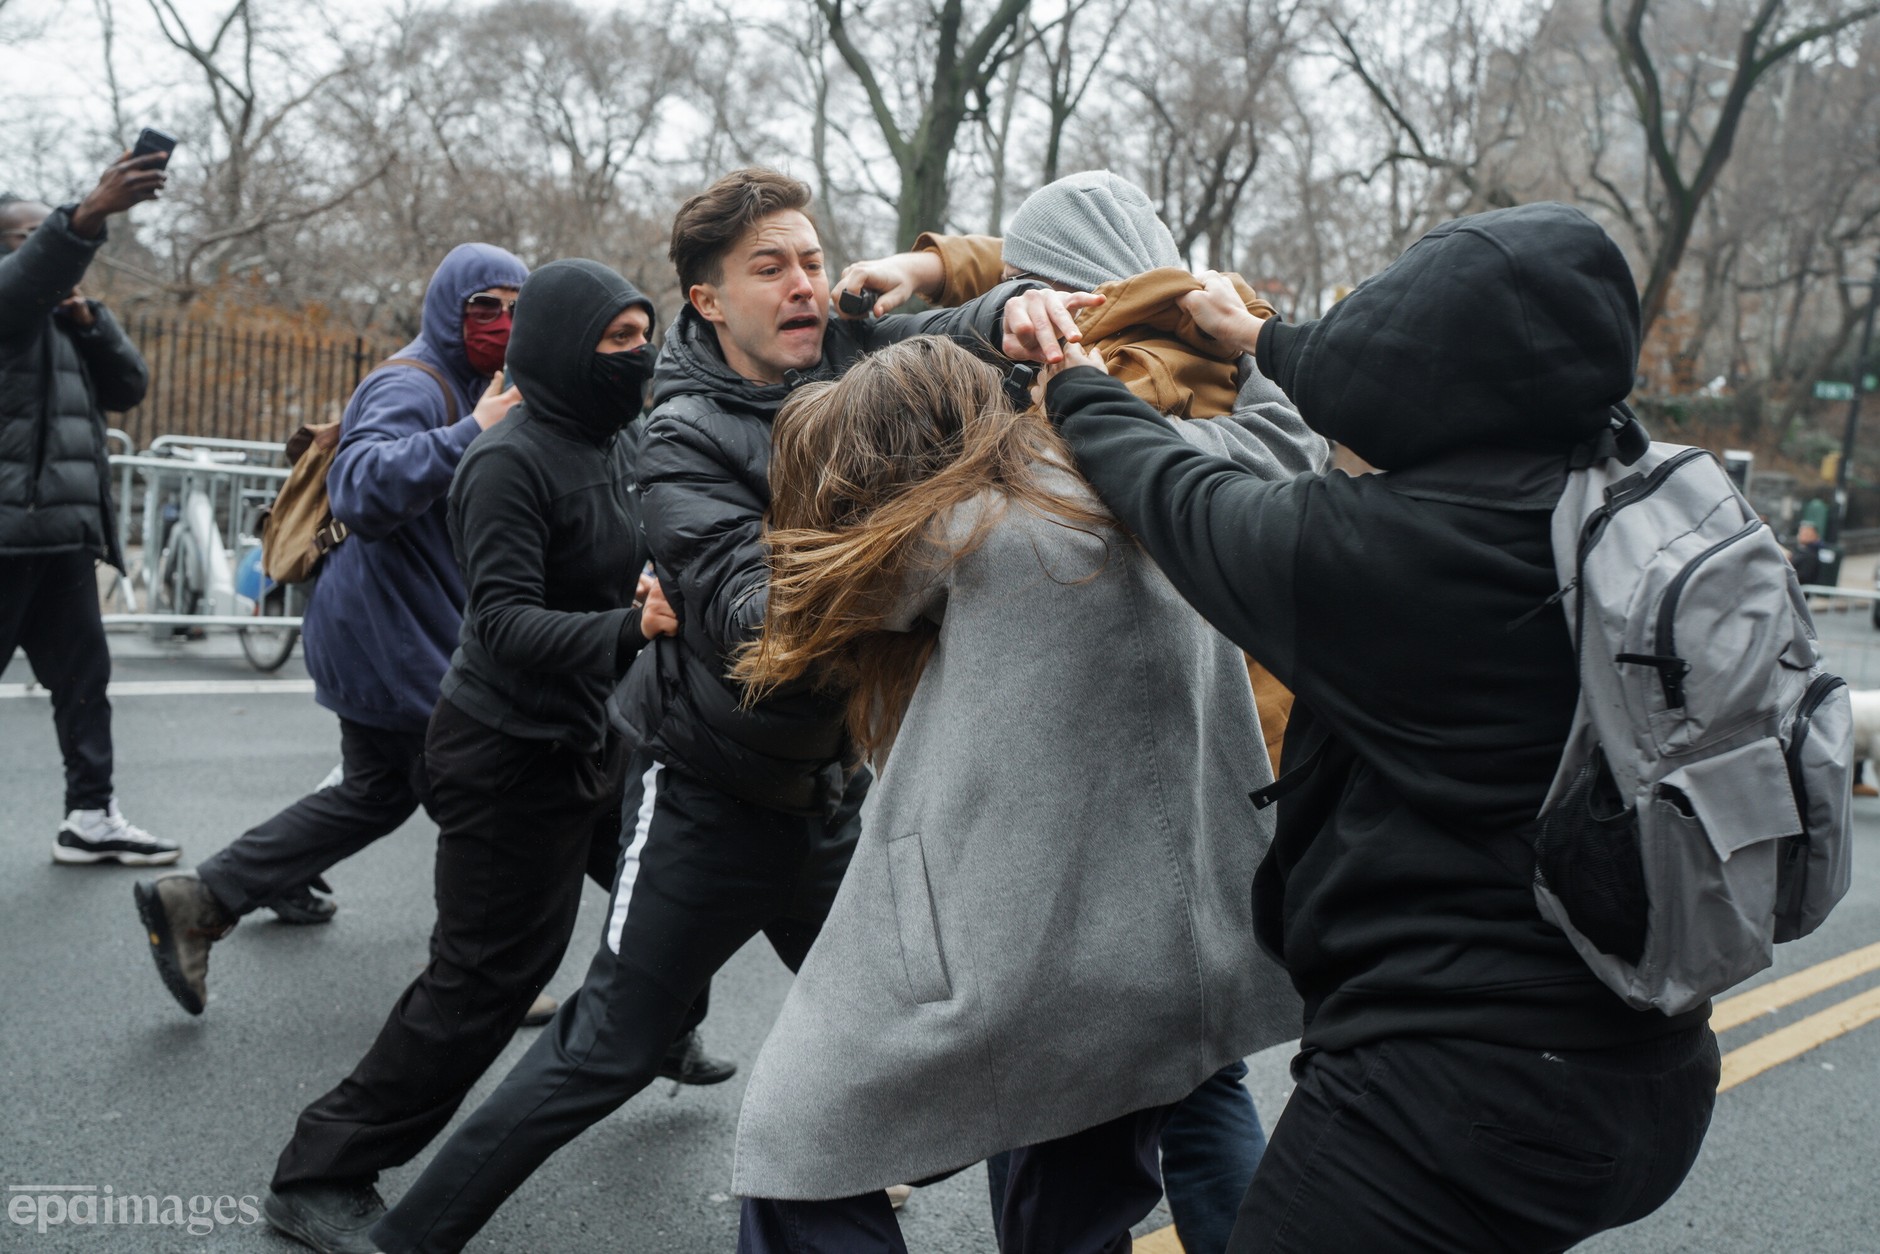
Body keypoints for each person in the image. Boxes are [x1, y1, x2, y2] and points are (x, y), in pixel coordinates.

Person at [367, 167, 1080, 1254]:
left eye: (810, 259)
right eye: (769, 269)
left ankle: (847, 1170)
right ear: (708, 301)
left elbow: (947, 333)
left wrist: (1007, 308)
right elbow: (757, 629)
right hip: (709, 792)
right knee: (603, 1050)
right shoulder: (679, 437)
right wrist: (907, 520)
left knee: (944, 1011)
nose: (803, 284)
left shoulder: (853, 344)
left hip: (830, 794)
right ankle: (401, 1240)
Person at [1045, 202, 1720, 1253]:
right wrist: (1259, 338)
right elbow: (1406, 378)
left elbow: (1176, 491)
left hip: (1453, 1098)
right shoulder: (1643, 485)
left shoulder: (1397, 553)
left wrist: (1072, 388)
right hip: (1654, 1068)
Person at [728, 334, 1309, 1254]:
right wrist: (1254, 338)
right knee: (1072, 1217)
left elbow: (807, 589)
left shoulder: (963, 533)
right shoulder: (1159, 466)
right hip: (1161, 954)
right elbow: (1284, 438)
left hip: (1029, 975)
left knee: (796, 1142)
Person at [839, 171, 1299, 1251]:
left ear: (1055, 296)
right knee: (1193, 1066)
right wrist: (943, 265)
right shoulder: (1236, 360)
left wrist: (982, 325)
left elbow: (913, 552)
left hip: (1085, 796)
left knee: (1063, 1094)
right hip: (1236, 767)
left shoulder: (1071, 401)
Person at [263, 258, 701, 1254]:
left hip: (592, 732)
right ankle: (318, 1170)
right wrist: (631, 632)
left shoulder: (623, 440)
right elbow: (501, 623)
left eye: (645, 334)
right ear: (563, 351)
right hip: (507, 751)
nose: (638, 356)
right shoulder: (508, 461)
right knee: (485, 984)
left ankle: (660, 1022)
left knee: (675, 884)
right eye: (616, 341)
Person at [132, 243, 535, 1009]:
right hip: (391, 642)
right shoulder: (410, 383)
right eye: (486, 306)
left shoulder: (478, 383)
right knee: (485, 805)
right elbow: (359, 488)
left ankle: (202, 898)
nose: (503, 322)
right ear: (449, 306)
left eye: (517, 307)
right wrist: (469, 432)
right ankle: (482, 977)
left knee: (376, 792)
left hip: (387, 632)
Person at [1, 155, 176, 866]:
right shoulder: (9, 305)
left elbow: (130, 385)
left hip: (64, 536)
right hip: (6, 536)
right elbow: (20, 284)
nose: (43, 241)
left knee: (84, 684)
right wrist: (85, 215)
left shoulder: (67, 320)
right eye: (28, 234)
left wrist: (90, 317)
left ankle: (90, 815)